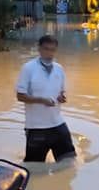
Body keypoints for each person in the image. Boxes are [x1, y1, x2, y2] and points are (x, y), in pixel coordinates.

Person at [16, 34, 76, 163]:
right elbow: (20, 96)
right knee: (34, 168)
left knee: (70, 163)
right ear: (39, 49)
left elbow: (61, 92)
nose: (49, 53)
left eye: (52, 50)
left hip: (58, 124)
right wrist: (42, 100)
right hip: (36, 128)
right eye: (46, 49)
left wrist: (62, 97)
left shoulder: (59, 69)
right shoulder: (28, 68)